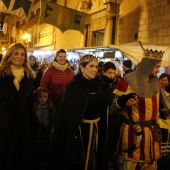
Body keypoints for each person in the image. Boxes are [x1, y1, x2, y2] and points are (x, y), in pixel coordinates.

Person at [109, 48, 168, 170]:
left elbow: (165, 103)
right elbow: (113, 107)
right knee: (130, 165)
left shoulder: (156, 82)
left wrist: (163, 111)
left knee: (150, 165)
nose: (158, 70)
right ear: (147, 65)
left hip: (152, 134)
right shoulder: (128, 80)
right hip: (133, 133)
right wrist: (124, 102)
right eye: (156, 67)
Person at [47, 54, 108, 170]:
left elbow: (104, 108)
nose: (95, 70)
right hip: (79, 132)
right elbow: (68, 114)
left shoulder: (99, 86)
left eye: (96, 66)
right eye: (91, 66)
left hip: (96, 130)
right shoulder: (73, 87)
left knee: (94, 160)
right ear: (82, 67)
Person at [0, 43, 36, 170]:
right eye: (16, 53)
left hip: (22, 126)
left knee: (21, 158)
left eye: (22, 54)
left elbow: (30, 105)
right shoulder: (1, 75)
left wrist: (33, 125)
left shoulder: (29, 77)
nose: (19, 57)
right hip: (4, 126)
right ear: (9, 55)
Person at [99, 61, 119, 170]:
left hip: (115, 118)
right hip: (104, 117)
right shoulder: (100, 84)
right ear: (104, 72)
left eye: (113, 73)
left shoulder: (117, 83)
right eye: (109, 73)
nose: (111, 75)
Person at [31, 86, 56, 170]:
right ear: (36, 97)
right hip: (36, 136)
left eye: (45, 97)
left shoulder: (50, 108)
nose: (42, 99)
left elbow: (53, 121)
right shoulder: (33, 108)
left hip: (47, 135)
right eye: (40, 96)